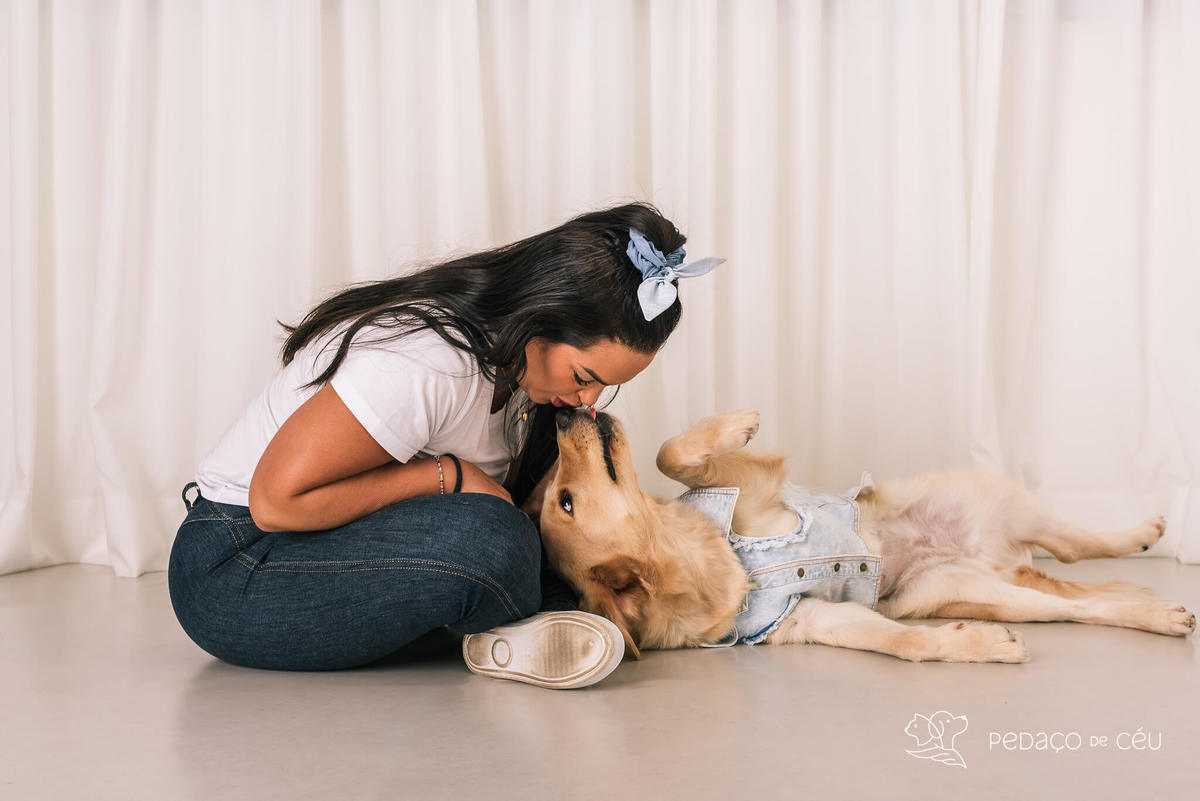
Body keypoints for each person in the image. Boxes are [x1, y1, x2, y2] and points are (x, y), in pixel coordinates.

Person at [167, 201, 723, 689]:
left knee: (559, 524)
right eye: (584, 375)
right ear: (539, 320)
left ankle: (531, 627)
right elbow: (274, 504)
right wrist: (449, 476)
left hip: (331, 543)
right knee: (492, 542)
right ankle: (526, 622)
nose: (592, 398)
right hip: (237, 567)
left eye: (608, 383)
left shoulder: (520, 374)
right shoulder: (424, 365)